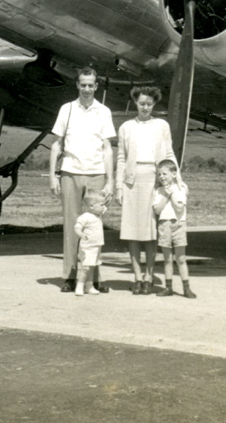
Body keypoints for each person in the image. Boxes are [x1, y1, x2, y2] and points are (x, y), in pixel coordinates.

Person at [49, 67, 115, 293]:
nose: (87, 89)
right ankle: (69, 276)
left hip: (96, 174)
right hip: (70, 173)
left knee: (95, 228)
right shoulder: (66, 110)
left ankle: (94, 279)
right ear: (77, 85)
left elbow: (107, 148)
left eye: (91, 85)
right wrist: (53, 176)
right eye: (83, 84)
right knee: (71, 226)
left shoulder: (104, 112)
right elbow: (56, 144)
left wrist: (110, 180)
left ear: (96, 87)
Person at [116, 86, 177, 295]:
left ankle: (150, 276)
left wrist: (177, 181)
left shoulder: (162, 125)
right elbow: (121, 158)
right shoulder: (125, 127)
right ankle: (137, 278)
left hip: (154, 180)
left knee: (151, 233)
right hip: (132, 181)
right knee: (132, 232)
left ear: (154, 105)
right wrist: (119, 187)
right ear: (135, 103)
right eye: (141, 103)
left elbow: (169, 153)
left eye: (149, 104)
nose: (145, 107)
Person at [152, 159, 196, 299]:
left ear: (174, 174)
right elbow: (157, 210)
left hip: (178, 224)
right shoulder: (158, 191)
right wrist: (166, 195)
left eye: (165, 174)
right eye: (159, 174)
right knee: (167, 259)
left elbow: (179, 207)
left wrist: (172, 194)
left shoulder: (181, 188)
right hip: (164, 225)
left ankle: (186, 288)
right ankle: (168, 287)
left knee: (181, 258)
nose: (162, 177)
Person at [74, 190, 108, 297]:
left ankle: (89, 286)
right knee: (85, 268)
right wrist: (81, 235)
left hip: (96, 246)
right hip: (87, 247)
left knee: (92, 266)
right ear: (92, 206)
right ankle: (79, 286)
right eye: (101, 205)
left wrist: (104, 200)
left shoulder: (98, 215)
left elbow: (104, 208)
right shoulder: (85, 217)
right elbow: (77, 227)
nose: (103, 207)